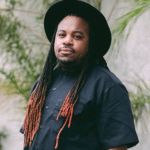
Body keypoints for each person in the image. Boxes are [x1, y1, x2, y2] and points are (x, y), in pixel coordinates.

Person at [20, 0, 139, 150]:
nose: (67, 41)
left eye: (77, 36)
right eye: (61, 35)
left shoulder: (107, 86)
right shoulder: (43, 83)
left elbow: (116, 146)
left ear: (90, 43)